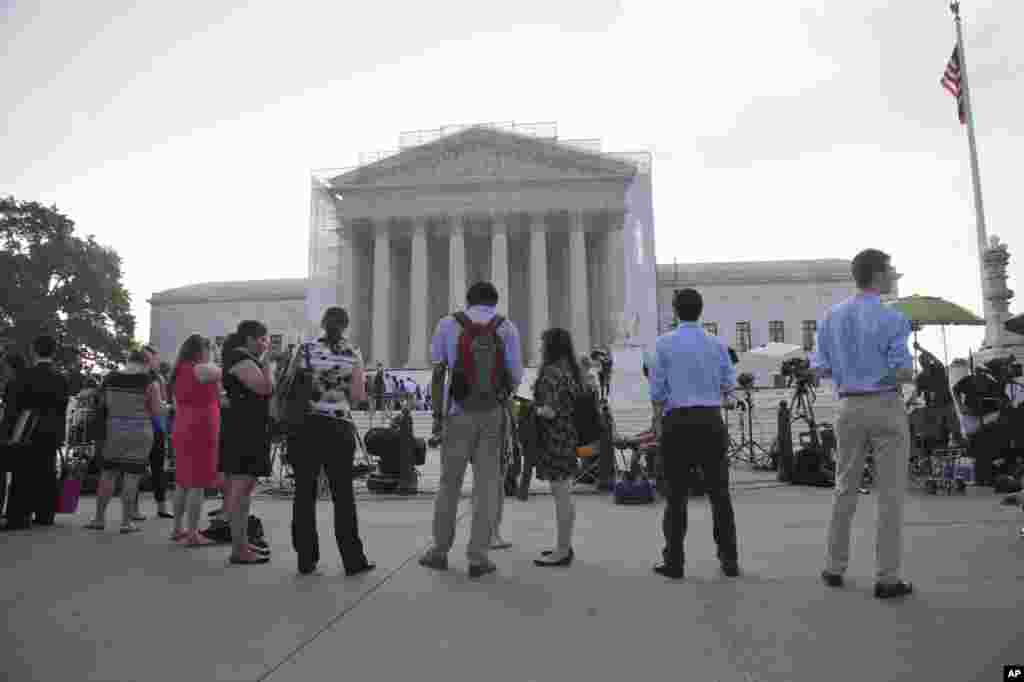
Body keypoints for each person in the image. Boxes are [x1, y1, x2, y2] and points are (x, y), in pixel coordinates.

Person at [812, 249, 915, 599]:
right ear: (877, 274)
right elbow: (903, 370)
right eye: (890, 270)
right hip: (886, 404)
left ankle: (833, 566)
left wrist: (849, 368)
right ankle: (888, 578)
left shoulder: (831, 317)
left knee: (845, 488)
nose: (892, 276)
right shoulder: (893, 318)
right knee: (890, 494)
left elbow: (821, 368)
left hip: (849, 406)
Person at [420, 281, 523, 578]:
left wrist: (438, 417)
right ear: (495, 301)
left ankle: (439, 551)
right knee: (488, 485)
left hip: (457, 414)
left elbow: (438, 372)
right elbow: (515, 375)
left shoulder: (447, 324)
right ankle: (478, 557)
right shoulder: (507, 328)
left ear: (467, 300)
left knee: (449, 484)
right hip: (492, 415)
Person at [648, 289, 739, 579]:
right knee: (720, 495)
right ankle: (729, 560)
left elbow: (658, 391)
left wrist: (657, 421)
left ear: (675, 311)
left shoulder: (663, 344)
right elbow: (729, 386)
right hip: (711, 420)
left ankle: (674, 561)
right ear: (701, 310)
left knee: (676, 497)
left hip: (678, 421)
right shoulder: (717, 344)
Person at [282, 307, 375, 577]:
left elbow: (288, 383)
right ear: (345, 326)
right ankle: (352, 560)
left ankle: (306, 559)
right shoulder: (352, 353)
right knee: (343, 496)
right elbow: (358, 395)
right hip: (338, 426)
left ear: (323, 325)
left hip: (306, 427)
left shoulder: (305, 349)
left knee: (304, 494)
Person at [85, 350, 163, 533]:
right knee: (132, 477)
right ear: (145, 364)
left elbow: (102, 404)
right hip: (140, 431)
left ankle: (98, 519)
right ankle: (126, 522)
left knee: (108, 474)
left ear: (128, 361)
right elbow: (157, 411)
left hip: (114, 429)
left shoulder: (110, 378)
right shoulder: (149, 382)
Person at [220, 321, 274, 565]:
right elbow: (264, 387)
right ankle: (239, 548)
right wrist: (266, 364)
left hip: (244, 429)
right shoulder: (240, 358)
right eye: (263, 339)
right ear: (250, 339)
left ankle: (241, 542)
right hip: (244, 431)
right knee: (241, 490)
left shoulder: (241, 357)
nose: (266, 344)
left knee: (242, 488)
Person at [531, 328, 586, 566]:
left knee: (561, 495)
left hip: (555, 439)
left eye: (543, 344)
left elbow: (550, 411)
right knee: (564, 494)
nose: (541, 348)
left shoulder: (552, 373)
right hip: (567, 436)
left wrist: (532, 410)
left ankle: (562, 550)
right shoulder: (569, 372)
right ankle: (564, 546)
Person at [4, 340, 68, 531]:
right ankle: (45, 514)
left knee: (23, 471)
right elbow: (62, 408)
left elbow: (13, 407)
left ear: (33, 351)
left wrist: (8, 430)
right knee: (47, 471)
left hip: (27, 428)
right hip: (51, 430)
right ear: (53, 353)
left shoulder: (25, 376)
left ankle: (19, 516)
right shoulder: (60, 378)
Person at [168, 335, 222, 545]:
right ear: (201, 351)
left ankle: (177, 528)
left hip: (182, 424)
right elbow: (221, 371)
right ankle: (192, 534)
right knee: (197, 482)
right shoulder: (201, 369)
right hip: (201, 427)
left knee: (182, 481)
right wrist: (218, 353)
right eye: (207, 349)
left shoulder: (178, 370)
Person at [0, 352, 27, 519]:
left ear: (11, 367)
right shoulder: (26, 383)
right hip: (24, 433)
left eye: (4, 367)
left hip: (9, 434)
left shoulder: (12, 385)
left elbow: (9, 413)